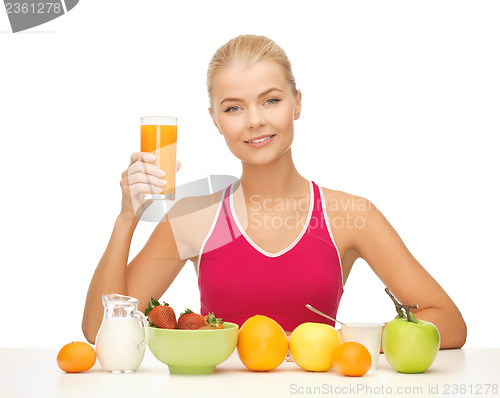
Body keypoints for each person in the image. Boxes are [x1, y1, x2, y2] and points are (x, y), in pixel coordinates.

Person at [82, 35, 467, 349]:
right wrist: (127, 217)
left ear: (297, 103)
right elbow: (99, 329)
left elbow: (448, 322)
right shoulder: (192, 218)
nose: (255, 121)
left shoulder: (350, 215)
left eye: (271, 100)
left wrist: (337, 341)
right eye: (233, 108)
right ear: (215, 121)